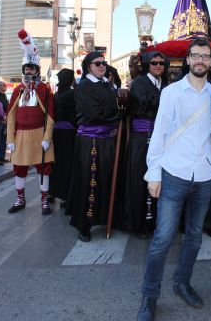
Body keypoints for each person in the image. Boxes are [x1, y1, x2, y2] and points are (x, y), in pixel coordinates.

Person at [137, 38, 211, 321]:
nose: (200, 60)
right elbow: (158, 134)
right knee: (162, 238)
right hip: (173, 172)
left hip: (205, 174)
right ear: (188, 59)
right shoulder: (171, 92)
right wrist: (153, 173)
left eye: (205, 56)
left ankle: (182, 282)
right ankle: (149, 295)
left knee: (194, 236)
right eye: (195, 55)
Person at [66, 51, 121, 242]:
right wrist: (117, 115)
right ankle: (84, 224)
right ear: (89, 66)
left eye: (104, 63)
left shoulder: (107, 84)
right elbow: (93, 113)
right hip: (91, 142)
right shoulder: (84, 86)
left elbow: (116, 106)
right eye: (97, 63)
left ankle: (104, 217)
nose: (101, 66)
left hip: (108, 140)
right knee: (89, 181)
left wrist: (119, 109)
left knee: (105, 179)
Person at [7, 29, 55, 215]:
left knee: (44, 168)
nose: (29, 71)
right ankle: (20, 198)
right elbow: (10, 116)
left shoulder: (44, 89)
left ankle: (44, 201)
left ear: (37, 70)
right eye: (26, 68)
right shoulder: (18, 90)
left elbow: (50, 115)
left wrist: (47, 137)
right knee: (19, 168)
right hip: (20, 136)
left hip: (39, 135)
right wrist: (10, 139)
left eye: (32, 68)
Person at [125, 51, 168, 238]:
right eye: (154, 63)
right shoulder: (140, 83)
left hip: (161, 138)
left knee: (160, 179)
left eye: (161, 63)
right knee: (141, 179)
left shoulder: (164, 84)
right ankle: (140, 223)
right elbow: (145, 105)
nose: (158, 65)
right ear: (146, 65)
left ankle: (155, 222)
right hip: (143, 137)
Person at [49, 68, 77, 208]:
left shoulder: (56, 95)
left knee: (55, 163)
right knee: (67, 164)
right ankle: (65, 196)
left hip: (56, 133)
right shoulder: (72, 94)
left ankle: (52, 192)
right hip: (69, 134)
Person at [0, 81, 9, 163]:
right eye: (4, 85)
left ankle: (0, 157)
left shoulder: (4, 95)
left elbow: (6, 106)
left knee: (3, 138)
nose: (6, 87)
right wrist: (2, 117)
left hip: (4, 119)